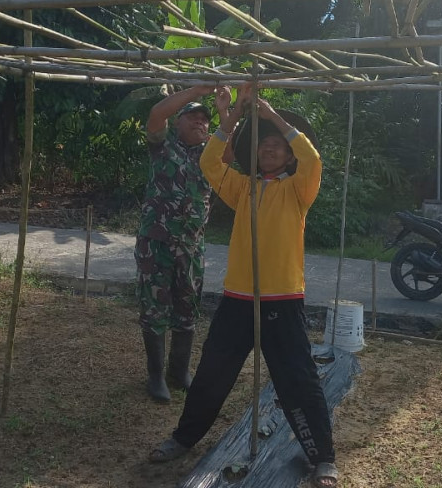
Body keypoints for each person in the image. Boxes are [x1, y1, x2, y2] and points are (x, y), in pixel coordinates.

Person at [148, 87, 339, 488]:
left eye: (277, 145)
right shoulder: (242, 188)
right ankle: (183, 438)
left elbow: (312, 158)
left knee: (298, 380)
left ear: (288, 156)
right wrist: (233, 115)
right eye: (264, 144)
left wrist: (272, 116)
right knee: (212, 374)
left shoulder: (299, 190)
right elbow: (209, 161)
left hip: (282, 299)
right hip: (237, 299)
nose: (270, 148)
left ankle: (323, 457)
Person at [134, 84, 215, 403]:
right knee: (154, 309)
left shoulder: (211, 155)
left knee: (187, 309)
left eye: (204, 119)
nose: (200, 122)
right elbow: (156, 114)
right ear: (178, 121)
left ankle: (178, 372)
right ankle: (155, 376)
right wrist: (198, 90)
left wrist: (228, 108)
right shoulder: (163, 145)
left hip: (192, 248)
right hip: (157, 245)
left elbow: (233, 141)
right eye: (192, 116)